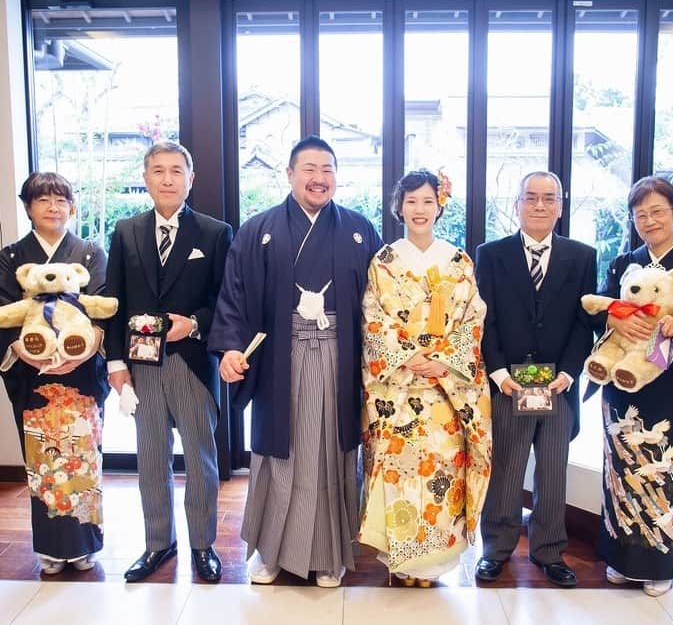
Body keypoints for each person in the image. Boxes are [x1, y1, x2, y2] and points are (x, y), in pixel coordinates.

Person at [208, 135, 383, 587]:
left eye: (327, 169)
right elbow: (235, 294)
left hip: (339, 355)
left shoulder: (359, 229)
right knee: (277, 452)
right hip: (279, 358)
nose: (318, 178)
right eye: (309, 168)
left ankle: (329, 555)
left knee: (332, 451)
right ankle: (269, 552)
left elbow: (381, 304)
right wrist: (230, 347)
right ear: (289, 175)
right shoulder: (259, 229)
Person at [104, 140, 232, 583]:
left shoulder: (216, 233)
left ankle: (203, 544)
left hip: (191, 361)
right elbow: (113, 300)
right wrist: (115, 363)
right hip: (141, 365)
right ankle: (159, 543)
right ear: (146, 178)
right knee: (151, 456)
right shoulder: (125, 230)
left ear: (190, 180)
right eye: (158, 171)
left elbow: (225, 301)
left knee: (201, 457)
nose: (167, 179)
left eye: (176, 171)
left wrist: (193, 325)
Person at [357, 170, 492, 587]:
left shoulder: (458, 260)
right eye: (411, 201)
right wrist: (408, 356)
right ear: (399, 206)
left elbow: (472, 319)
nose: (419, 209)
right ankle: (402, 560)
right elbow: (373, 317)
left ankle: (432, 565)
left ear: (439, 206)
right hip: (397, 391)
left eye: (427, 201)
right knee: (399, 471)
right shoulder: (384, 261)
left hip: (445, 392)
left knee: (440, 474)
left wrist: (446, 361)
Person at [593, 176, 673, 597]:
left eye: (657, 212)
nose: (649, 221)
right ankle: (619, 558)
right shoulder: (622, 265)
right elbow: (601, 307)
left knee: (665, 472)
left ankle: (660, 566)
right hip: (622, 384)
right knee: (621, 469)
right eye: (641, 214)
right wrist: (613, 318)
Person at [474, 171, 596, 587]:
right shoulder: (490, 254)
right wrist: (499, 372)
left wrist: (569, 372)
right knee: (507, 468)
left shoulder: (582, 256)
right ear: (517, 204)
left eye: (549, 198)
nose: (540, 205)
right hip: (509, 382)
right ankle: (496, 548)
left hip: (558, 386)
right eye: (531, 197)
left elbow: (584, 323)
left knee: (553, 469)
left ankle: (549, 551)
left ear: (561, 207)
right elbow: (483, 319)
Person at [0, 172, 108, 575]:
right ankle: (48, 547)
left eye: (60, 200)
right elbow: (5, 317)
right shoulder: (10, 258)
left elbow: (100, 310)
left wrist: (80, 355)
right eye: (43, 200)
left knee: (82, 456)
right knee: (41, 458)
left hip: (80, 373)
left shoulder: (90, 253)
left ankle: (84, 544)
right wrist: (28, 354)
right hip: (32, 376)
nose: (52, 207)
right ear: (28, 207)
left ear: (71, 206)